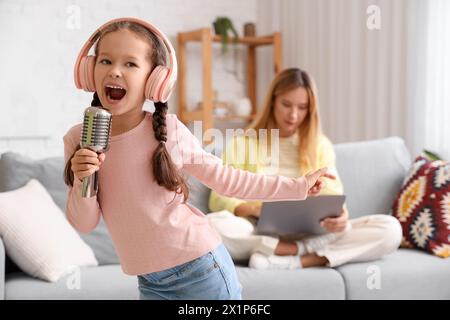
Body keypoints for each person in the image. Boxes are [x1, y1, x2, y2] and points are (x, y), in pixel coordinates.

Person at [63, 18, 334, 300]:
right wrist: (84, 176)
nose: (115, 72)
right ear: (89, 69)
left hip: (201, 271)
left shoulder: (169, 132)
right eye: (106, 61)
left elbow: (229, 181)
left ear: (155, 80)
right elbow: (84, 223)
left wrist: (298, 187)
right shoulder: (78, 139)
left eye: (130, 64)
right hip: (150, 282)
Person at [208, 68, 402, 270]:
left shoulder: (320, 145)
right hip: (258, 229)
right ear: (273, 101)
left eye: (302, 107)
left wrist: (341, 217)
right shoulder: (243, 142)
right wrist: (255, 209)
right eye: (286, 105)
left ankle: (296, 259)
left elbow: (333, 193)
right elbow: (218, 196)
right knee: (211, 225)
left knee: (390, 229)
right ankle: (292, 249)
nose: (293, 115)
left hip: (312, 232)